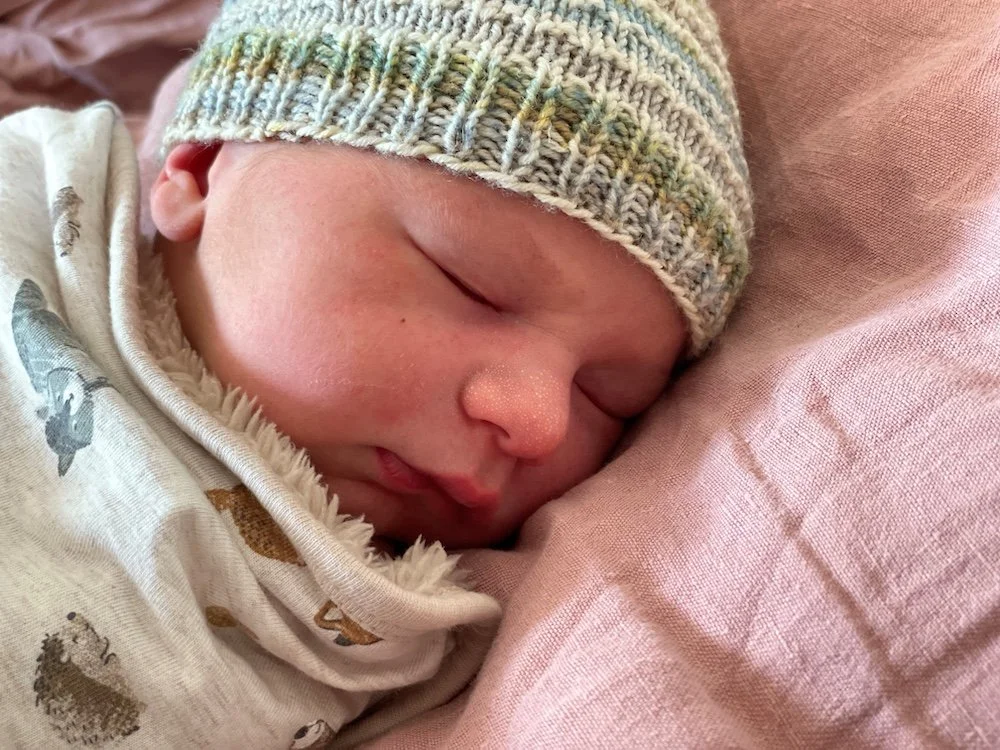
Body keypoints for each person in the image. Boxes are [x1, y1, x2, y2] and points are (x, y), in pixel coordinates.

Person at [0, 0, 751, 746]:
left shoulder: (403, 643)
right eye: (472, 283)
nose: (541, 422)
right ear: (200, 173)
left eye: (607, 397)